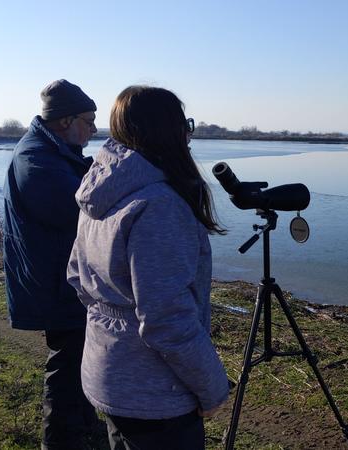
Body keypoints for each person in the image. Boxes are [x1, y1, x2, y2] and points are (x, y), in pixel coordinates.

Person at [66, 85, 229, 449]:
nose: (188, 134)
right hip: (154, 394)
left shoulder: (103, 190)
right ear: (168, 131)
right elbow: (166, 320)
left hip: (108, 371)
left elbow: (77, 276)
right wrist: (213, 388)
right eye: (185, 124)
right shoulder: (158, 206)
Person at [2, 79, 100, 449]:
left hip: (61, 278)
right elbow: (83, 213)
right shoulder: (37, 160)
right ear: (65, 121)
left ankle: (83, 427)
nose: (93, 129)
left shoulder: (53, 151)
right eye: (89, 121)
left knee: (78, 359)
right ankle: (60, 441)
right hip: (55, 282)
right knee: (67, 365)